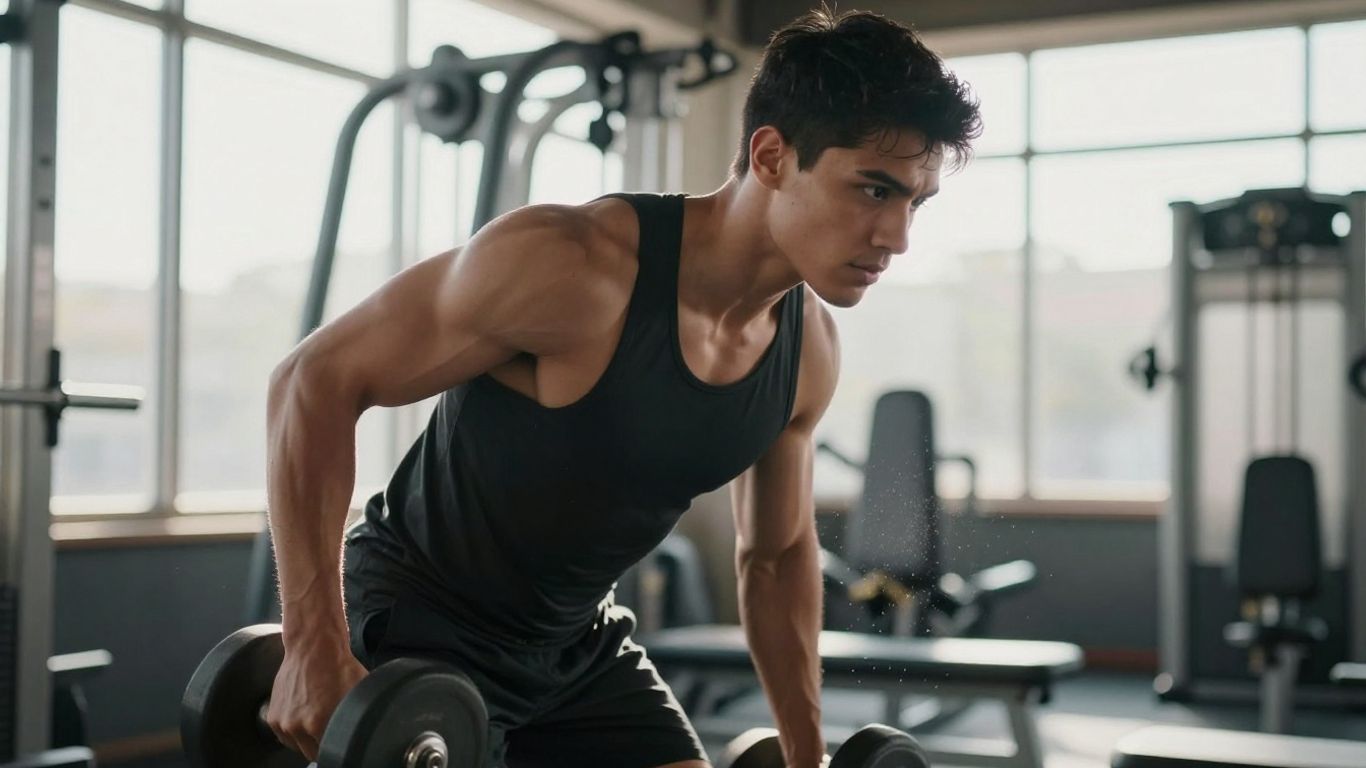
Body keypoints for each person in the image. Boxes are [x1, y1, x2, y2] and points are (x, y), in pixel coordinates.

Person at [263, 5, 980, 767]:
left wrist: (806, 755)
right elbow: (312, 380)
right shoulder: (573, 266)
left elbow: (774, 560)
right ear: (771, 156)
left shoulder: (807, 354)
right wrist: (311, 647)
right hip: (416, 623)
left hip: (578, 651)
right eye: (874, 191)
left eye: (915, 202)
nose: (898, 237)